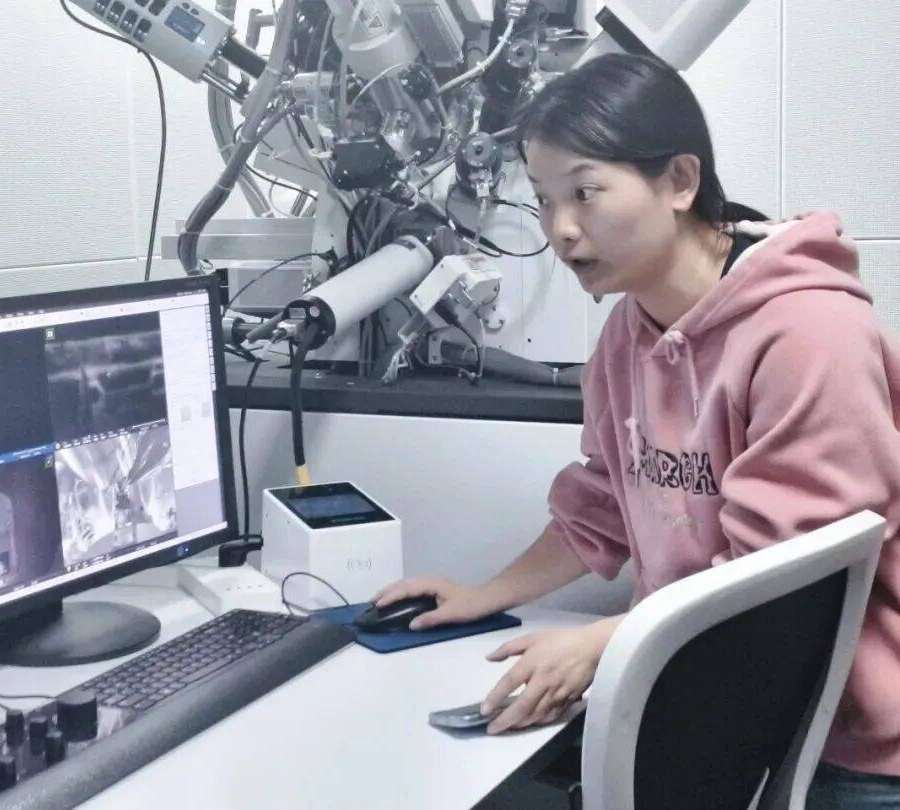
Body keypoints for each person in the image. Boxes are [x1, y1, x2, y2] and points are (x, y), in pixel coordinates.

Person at [374, 53, 900, 807]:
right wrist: (484, 594)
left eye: (585, 193)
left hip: (861, 746)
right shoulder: (628, 332)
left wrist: (605, 643)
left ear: (680, 182)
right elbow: (605, 503)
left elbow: (786, 577)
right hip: (725, 697)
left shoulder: (810, 330)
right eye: (544, 200)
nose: (561, 230)